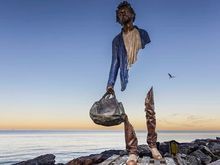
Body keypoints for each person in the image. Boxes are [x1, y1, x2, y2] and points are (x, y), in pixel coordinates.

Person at [106, 1, 162, 165]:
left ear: (132, 14)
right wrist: (110, 84)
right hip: (128, 79)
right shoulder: (116, 41)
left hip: (146, 76)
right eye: (119, 13)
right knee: (127, 115)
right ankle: (133, 151)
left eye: (125, 11)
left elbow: (153, 55)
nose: (122, 14)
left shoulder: (143, 33)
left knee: (150, 111)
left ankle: (153, 146)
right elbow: (114, 63)